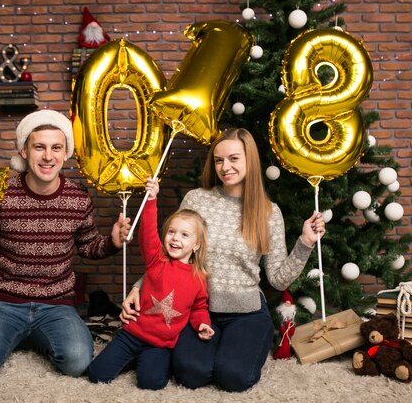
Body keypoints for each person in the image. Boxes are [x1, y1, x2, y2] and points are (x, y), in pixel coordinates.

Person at [0, 109, 130, 383]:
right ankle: (10, 335)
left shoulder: (78, 198)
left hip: (57, 304)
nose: (47, 156)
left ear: (66, 154)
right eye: (39, 147)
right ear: (24, 151)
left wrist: (112, 242)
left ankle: (25, 336)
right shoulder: (0, 193)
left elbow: (89, 247)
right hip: (3, 304)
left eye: (56, 148)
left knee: (78, 362)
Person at [120, 127, 326, 392]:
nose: (225, 167)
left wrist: (305, 243)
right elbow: (173, 256)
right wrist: (138, 287)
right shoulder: (197, 200)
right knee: (191, 374)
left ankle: (242, 348)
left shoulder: (267, 212)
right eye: (219, 160)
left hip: (247, 313)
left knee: (233, 378)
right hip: (198, 311)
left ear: (250, 160)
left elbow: (277, 279)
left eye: (234, 158)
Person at [87, 176, 214, 390]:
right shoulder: (157, 260)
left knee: (152, 384)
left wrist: (203, 324)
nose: (175, 239)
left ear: (196, 245)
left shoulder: (198, 278)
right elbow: (147, 232)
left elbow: (199, 307)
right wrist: (151, 199)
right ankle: (128, 357)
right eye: (172, 232)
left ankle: (141, 361)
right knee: (96, 375)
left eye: (184, 235)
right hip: (132, 334)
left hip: (160, 345)